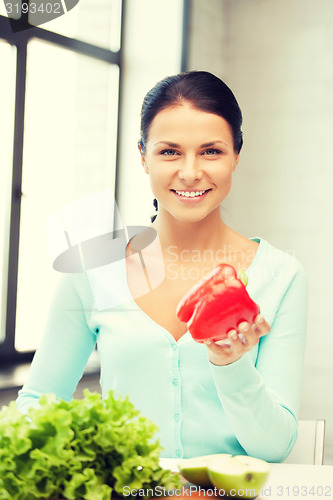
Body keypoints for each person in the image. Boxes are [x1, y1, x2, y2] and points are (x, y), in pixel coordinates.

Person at [16, 71, 308, 463]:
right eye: (170, 151)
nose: (190, 172)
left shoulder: (281, 277)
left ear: (236, 154)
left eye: (211, 151)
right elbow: (37, 402)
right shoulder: (94, 269)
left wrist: (231, 363)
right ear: (143, 156)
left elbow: (275, 448)